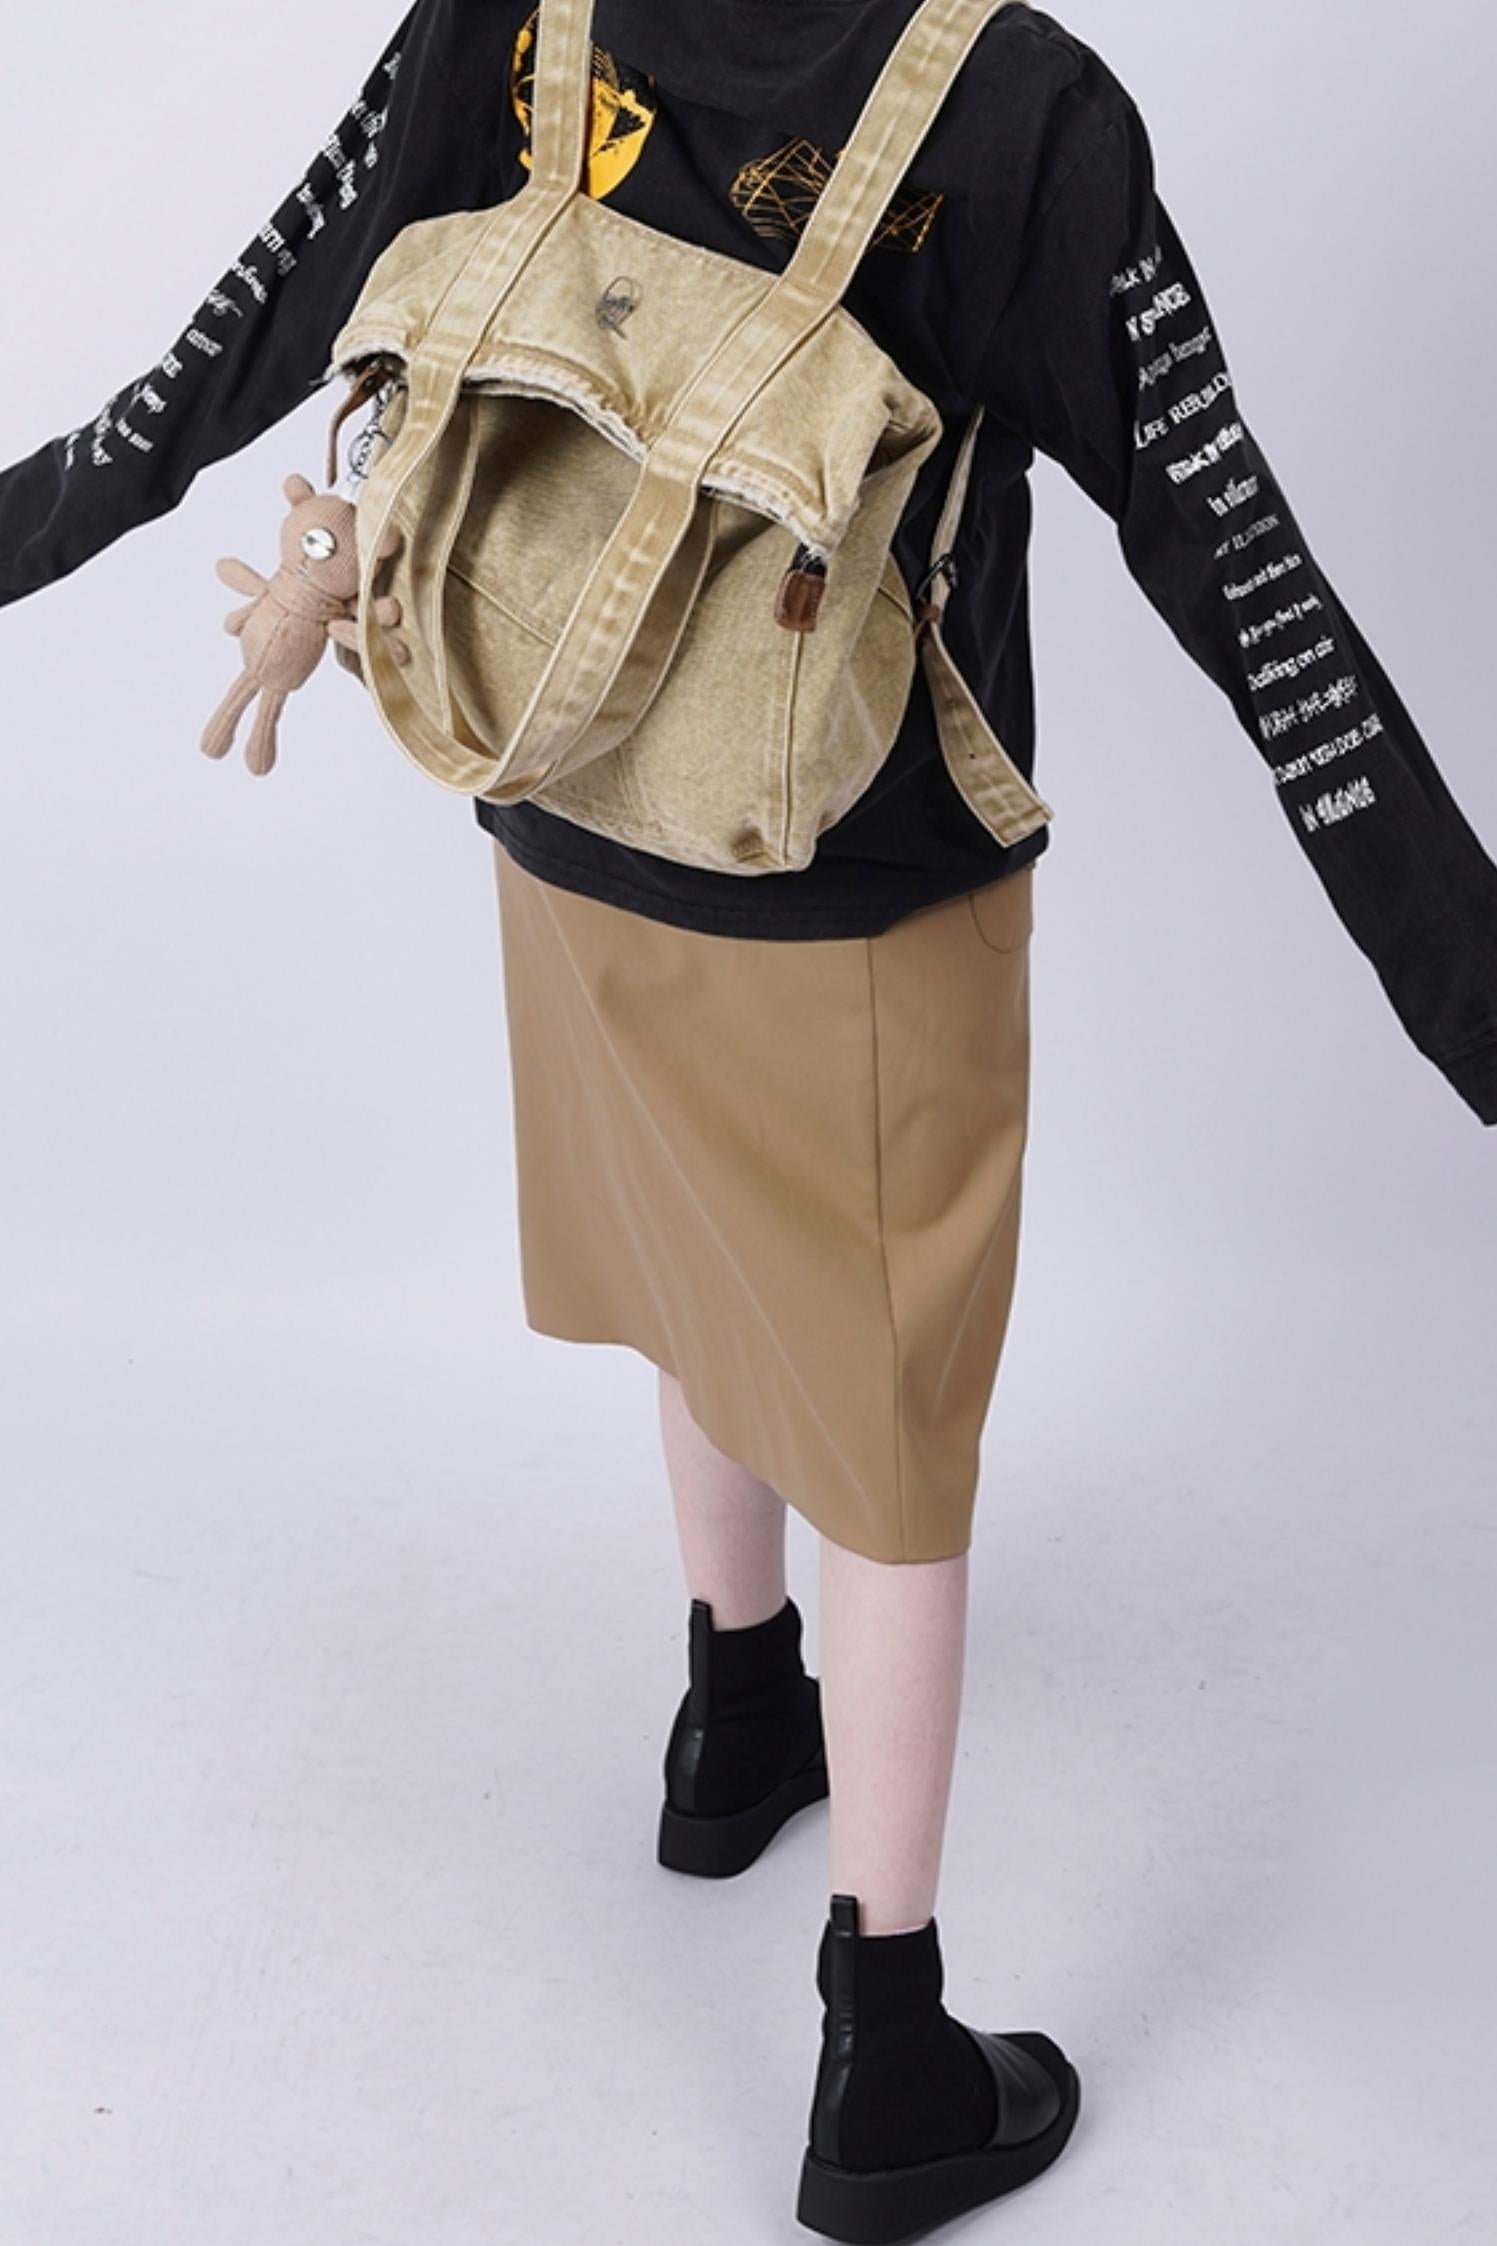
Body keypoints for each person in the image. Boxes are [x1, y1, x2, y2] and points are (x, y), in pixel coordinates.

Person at [3, 2, 1493, 2235]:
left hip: (555, 798)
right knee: (890, 1427)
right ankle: (887, 2058)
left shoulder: (519, 13)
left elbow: (244, 332)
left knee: (692, 1262)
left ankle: (731, 1720)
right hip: (851, 872)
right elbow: (1247, 577)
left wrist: (27, 522)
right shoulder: (1019, 110)